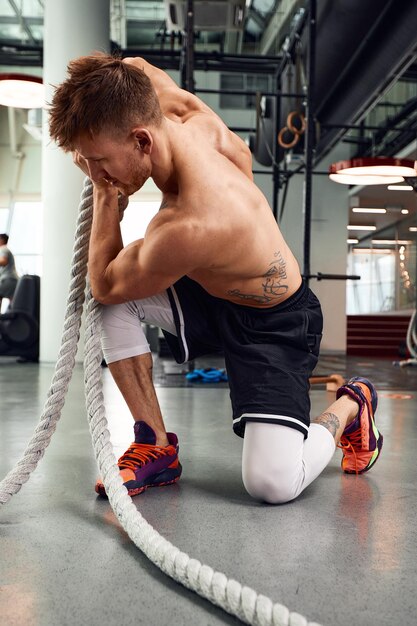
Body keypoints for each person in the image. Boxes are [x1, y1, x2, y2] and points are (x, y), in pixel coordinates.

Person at [48, 53, 383, 503]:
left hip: (274, 323)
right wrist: (97, 80)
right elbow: (135, 65)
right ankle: (156, 446)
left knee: (272, 484)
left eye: (98, 161)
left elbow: (103, 282)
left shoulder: (189, 223)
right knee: (114, 307)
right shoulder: (180, 114)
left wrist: (108, 198)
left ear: (142, 141)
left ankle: (353, 403)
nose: (92, 174)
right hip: (214, 289)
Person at [0, 233, 18, 312]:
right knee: (13, 300)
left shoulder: (3, 248)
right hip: (12, 279)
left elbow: (4, 261)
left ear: (2, 240)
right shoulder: (6, 249)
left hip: (8, 279)